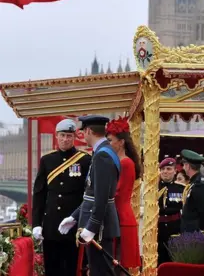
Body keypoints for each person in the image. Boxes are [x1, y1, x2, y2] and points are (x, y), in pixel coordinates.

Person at [58, 115, 120, 276]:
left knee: (101, 271)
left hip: (99, 227)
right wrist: (74, 217)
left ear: (89, 131)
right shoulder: (101, 152)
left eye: (83, 132)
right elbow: (91, 194)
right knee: (97, 269)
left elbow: (102, 197)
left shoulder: (103, 155)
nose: (83, 136)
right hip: (97, 223)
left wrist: (92, 227)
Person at [32, 119, 91, 276]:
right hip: (51, 223)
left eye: (69, 136)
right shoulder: (47, 160)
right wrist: (37, 223)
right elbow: (39, 193)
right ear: (56, 136)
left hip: (73, 223)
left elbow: (89, 193)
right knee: (52, 267)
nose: (66, 139)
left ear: (74, 138)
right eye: (63, 135)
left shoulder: (85, 160)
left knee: (71, 267)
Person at [106, 117, 141, 274]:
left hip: (121, 218)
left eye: (110, 140)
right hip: (118, 216)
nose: (108, 144)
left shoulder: (126, 163)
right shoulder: (119, 161)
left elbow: (117, 191)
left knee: (119, 266)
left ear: (121, 142)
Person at [180, 149, 204, 232]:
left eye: (184, 165)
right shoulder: (194, 183)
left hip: (196, 232)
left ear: (188, 166)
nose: (183, 167)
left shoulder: (200, 185)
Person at [157, 157, 184, 265]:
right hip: (157, 227)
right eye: (162, 169)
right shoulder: (153, 188)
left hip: (175, 227)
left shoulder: (181, 188)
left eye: (168, 169)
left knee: (173, 257)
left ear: (175, 171)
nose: (165, 172)